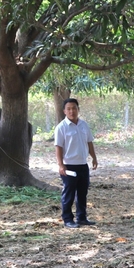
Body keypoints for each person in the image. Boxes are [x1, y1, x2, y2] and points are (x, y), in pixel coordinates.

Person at [54, 98, 99, 228]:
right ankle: (68, 219)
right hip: (69, 165)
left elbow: (89, 142)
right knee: (69, 193)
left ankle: (82, 217)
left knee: (82, 193)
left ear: (78, 109)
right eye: (68, 109)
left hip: (82, 165)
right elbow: (58, 147)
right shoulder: (61, 127)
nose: (71, 111)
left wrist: (94, 158)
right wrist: (61, 165)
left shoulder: (84, 125)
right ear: (64, 111)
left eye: (74, 108)